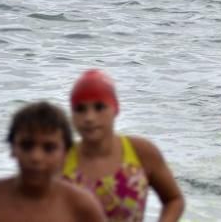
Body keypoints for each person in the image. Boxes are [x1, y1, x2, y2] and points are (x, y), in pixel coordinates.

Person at [64, 70, 185, 221]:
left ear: (115, 109)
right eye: (80, 109)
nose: (89, 117)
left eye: (99, 107)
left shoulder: (141, 152)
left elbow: (174, 199)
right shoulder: (61, 160)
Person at [0, 101, 105, 222]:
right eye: (27, 146)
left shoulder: (82, 207)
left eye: (49, 148)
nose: (36, 157)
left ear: (65, 153)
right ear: (12, 148)